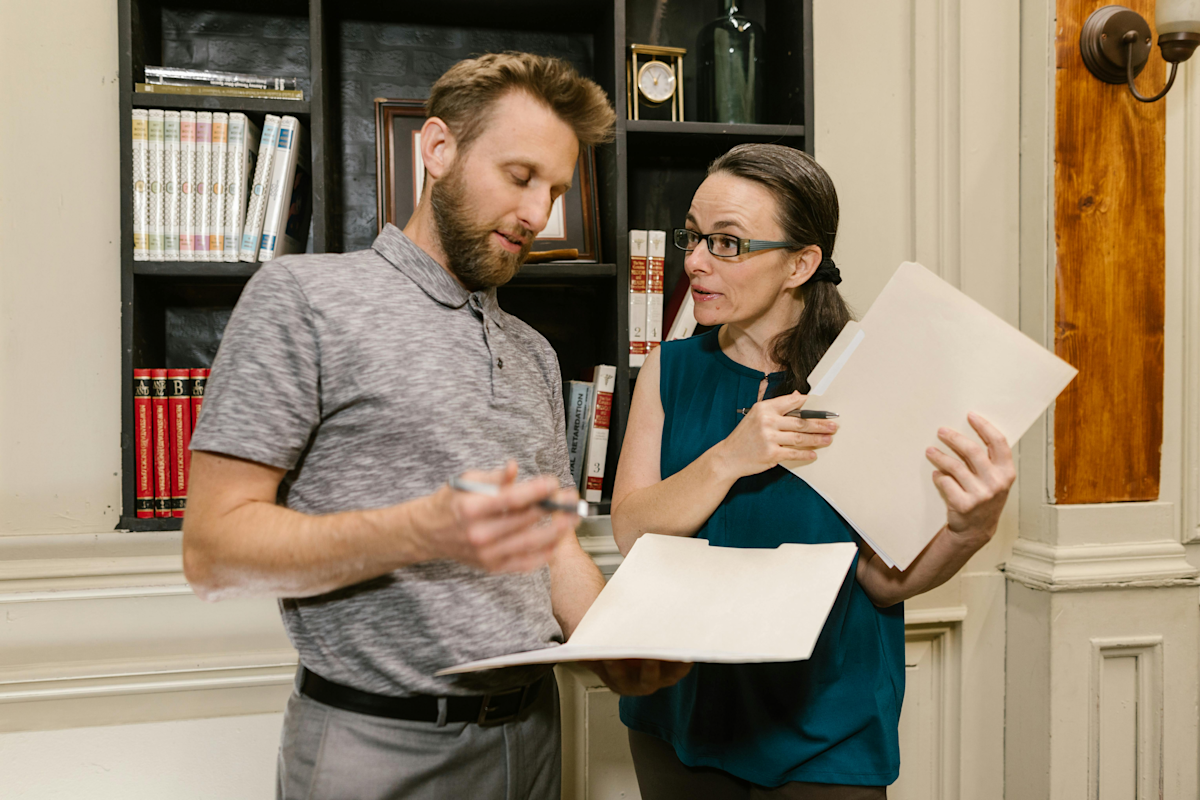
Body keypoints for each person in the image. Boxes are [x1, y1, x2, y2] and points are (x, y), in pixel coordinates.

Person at [182, 52, 688, 800]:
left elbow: (550, 545)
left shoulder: (534, 353)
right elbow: (213, 553)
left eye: (553, 189)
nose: (537, 215)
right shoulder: (304, 299)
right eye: (520, 177)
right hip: (373, 747)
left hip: (534, 738)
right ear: (439, 149)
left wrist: (614, 646)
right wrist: (421, 530)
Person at [611, 143, 1015, 799]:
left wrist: (969, 530)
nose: (694, 262)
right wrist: (730, 458)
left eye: (728, 244)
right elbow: (631, 531)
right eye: (694, 237)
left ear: (800, 264)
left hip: (824, 726)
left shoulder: (870, 381)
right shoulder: (670, 368)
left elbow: (882, 583)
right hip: (678, 719)